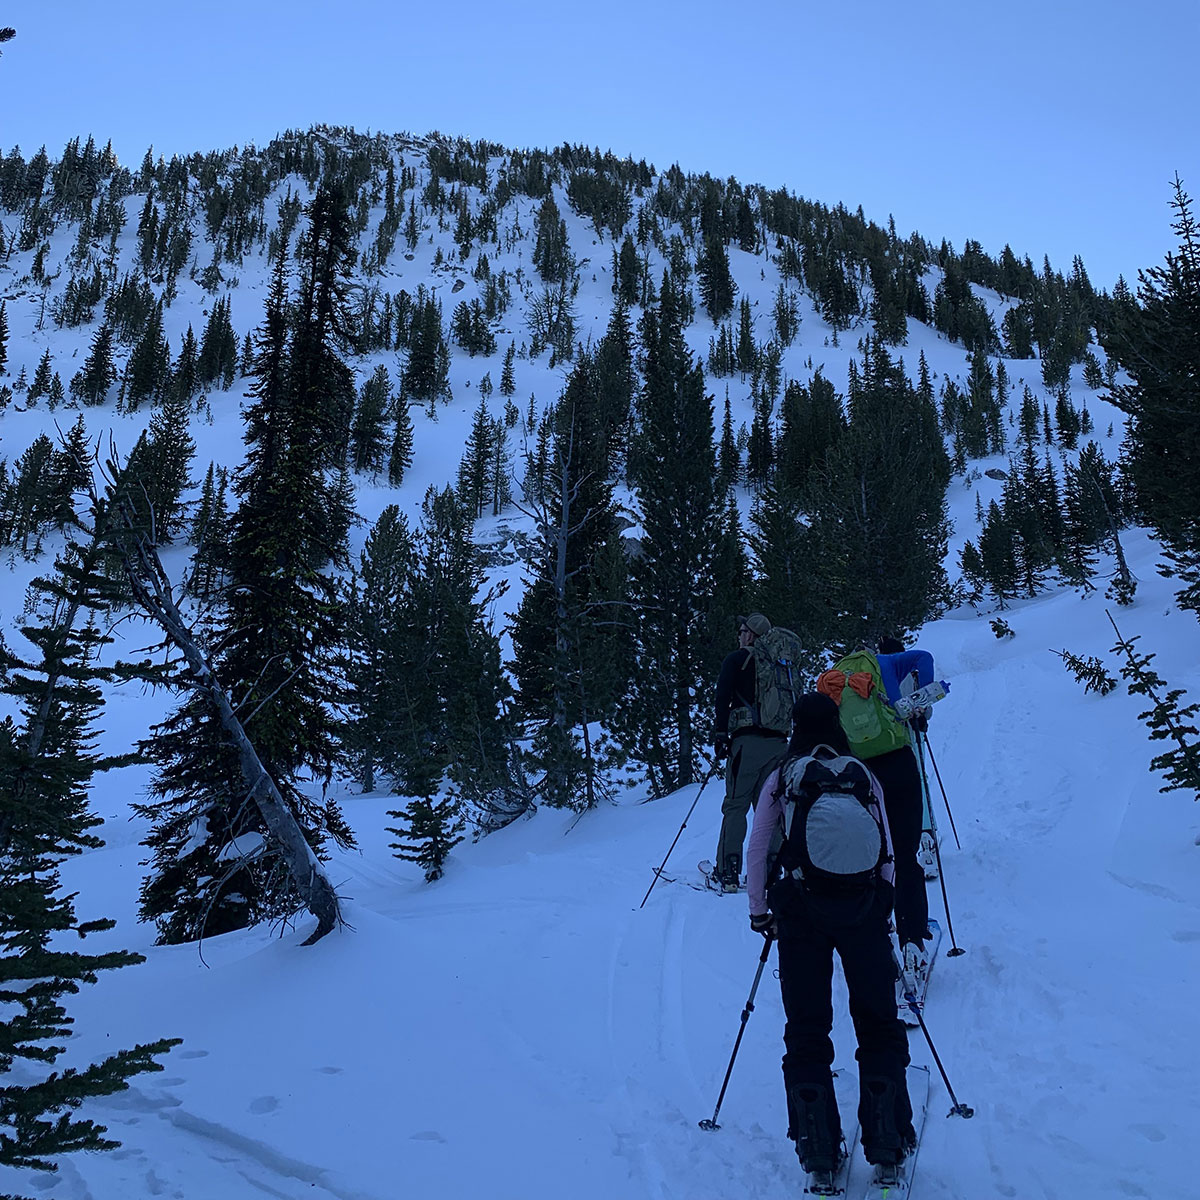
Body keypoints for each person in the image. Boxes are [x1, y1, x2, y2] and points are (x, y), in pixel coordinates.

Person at [746, 692, 914, 1184]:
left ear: (796, 727)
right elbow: (887, 845)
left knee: (806, 1028)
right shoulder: (861, 774)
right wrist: (883, 899)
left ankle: (817, 1148)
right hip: (862, 907)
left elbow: (758, 844)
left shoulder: (784, 775)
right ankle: (887, 1139)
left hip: (801, 909)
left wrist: (760, 910)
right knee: (879, 1023)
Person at [870, 634, 938, 986]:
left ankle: (878, 942)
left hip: (862, 774)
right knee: (905, 858)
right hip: (899, 760)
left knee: (877, 860)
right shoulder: (894, 663)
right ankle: (912, 942)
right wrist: (922, 704)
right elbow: (924, 658)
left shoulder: (844, 678)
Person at [712, 613, 787, 891]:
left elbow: (722, 697)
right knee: (770, 808)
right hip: (779, 744)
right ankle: (770, 872)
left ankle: (728, 871)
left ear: (751, 634)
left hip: (747, 742)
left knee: (736, 805)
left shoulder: (737, 659)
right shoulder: (781, 665)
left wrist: (720, 734)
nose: (739, 634)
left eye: (742, 630)